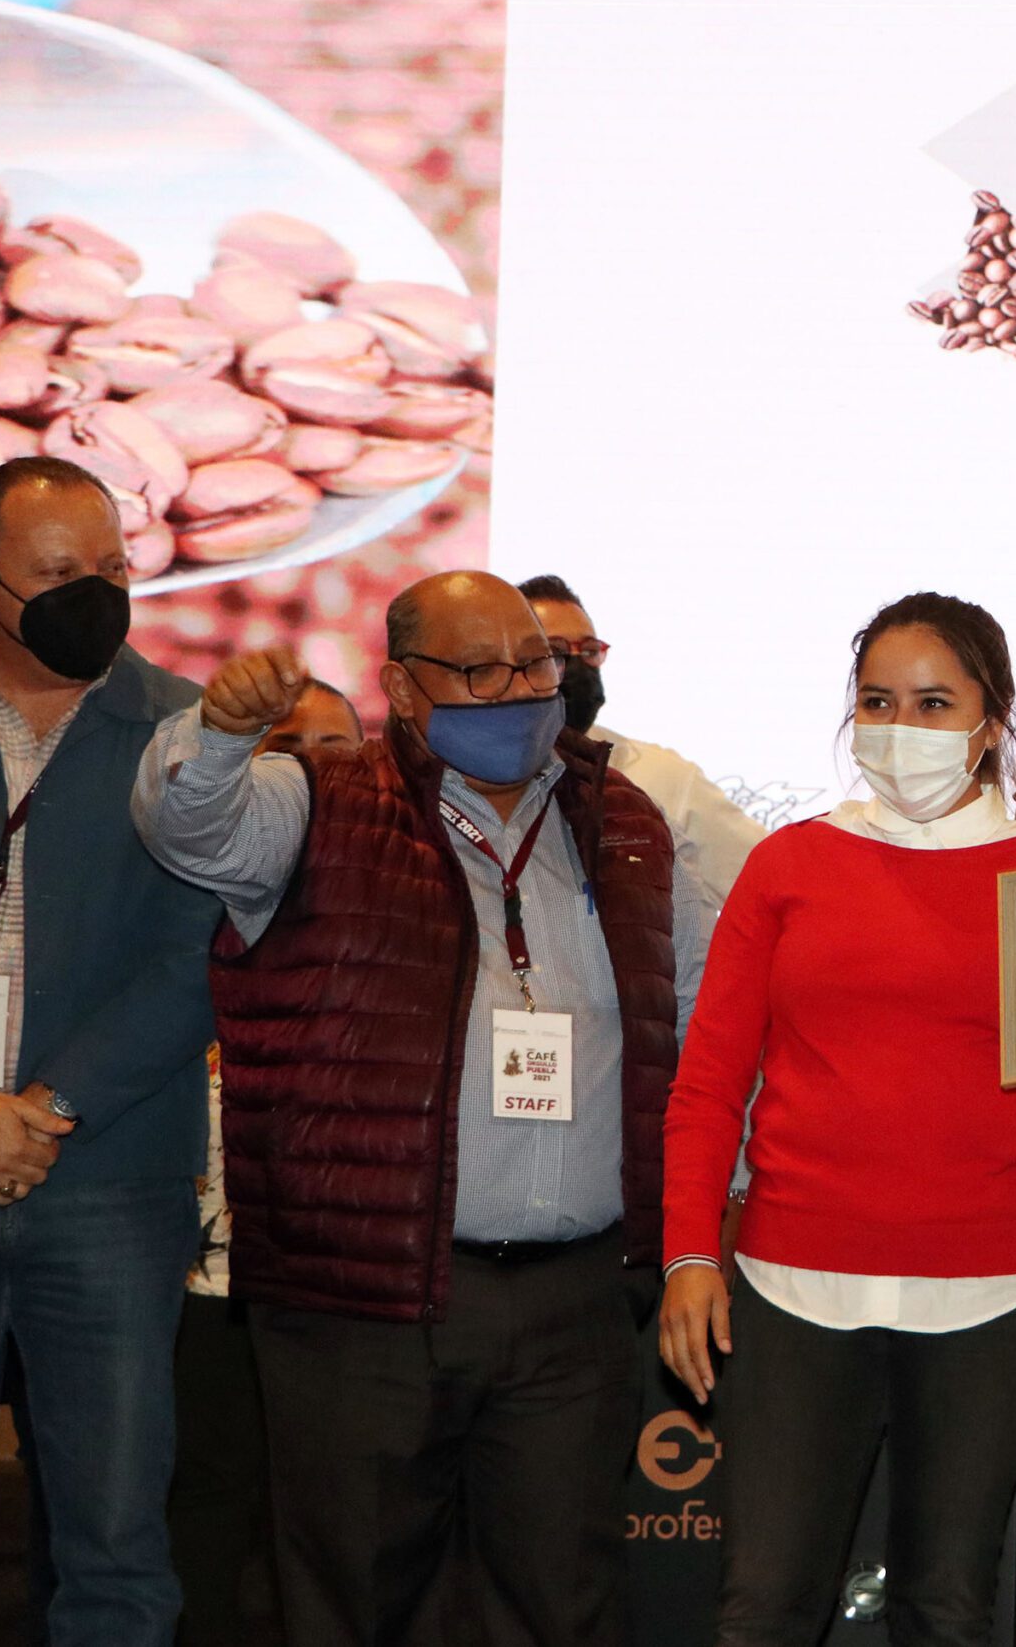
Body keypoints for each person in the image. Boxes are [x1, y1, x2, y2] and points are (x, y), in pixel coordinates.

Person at [131, 570, 706, 1647]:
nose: (517, 692)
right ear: (400, 686)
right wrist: (218, 737)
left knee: (563, 1606)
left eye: (534, 665)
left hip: (573, 1301)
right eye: (479, 671)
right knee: (357, 1603)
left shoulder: (622, 815)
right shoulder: (318, 800)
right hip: (368, 1302)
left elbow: (689, 1008)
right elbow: (190, 830)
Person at [658, 591, 1016, 1646]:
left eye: (932, 703)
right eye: (877, 701)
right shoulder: (788, 864)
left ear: (990, 721)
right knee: (762, 1607)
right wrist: (690, 1253)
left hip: (992, 1296)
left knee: (947, 1608)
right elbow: (708, 1085)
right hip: (792, 1288)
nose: (899, 727)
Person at [0, 455, 219, 1646]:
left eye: (112, 566)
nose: (94, 594)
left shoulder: (192, 737)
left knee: (114, 1549)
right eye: (58, 574)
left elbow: (196, 960)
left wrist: (42, 1111)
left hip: (108, 1182)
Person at [168, 679, 359, 1647]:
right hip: (204, 1270)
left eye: (337, 746)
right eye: (290, 746)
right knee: (205, 1497)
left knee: (334, 1520)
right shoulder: (194, 886)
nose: (315, 768)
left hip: (345, 1273)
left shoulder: (407, 899)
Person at [519, 575, 769, 917]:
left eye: (589, 651)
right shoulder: (472, 778)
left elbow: (772, 882)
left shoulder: (662, 776)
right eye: (557, 651)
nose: (577, 667)